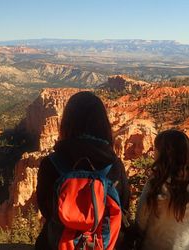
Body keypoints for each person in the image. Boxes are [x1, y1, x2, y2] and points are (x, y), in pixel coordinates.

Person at [35, 91, 130, 249]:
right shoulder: (114, 165)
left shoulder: (51, 163)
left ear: (66, 122)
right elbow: (123, 206)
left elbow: (46, 209)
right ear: (103, 124)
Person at [136, 130, 189, 250]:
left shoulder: (155, 184)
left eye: (156, 149)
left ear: (164, 154)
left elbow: (141, 221)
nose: (153, 152)